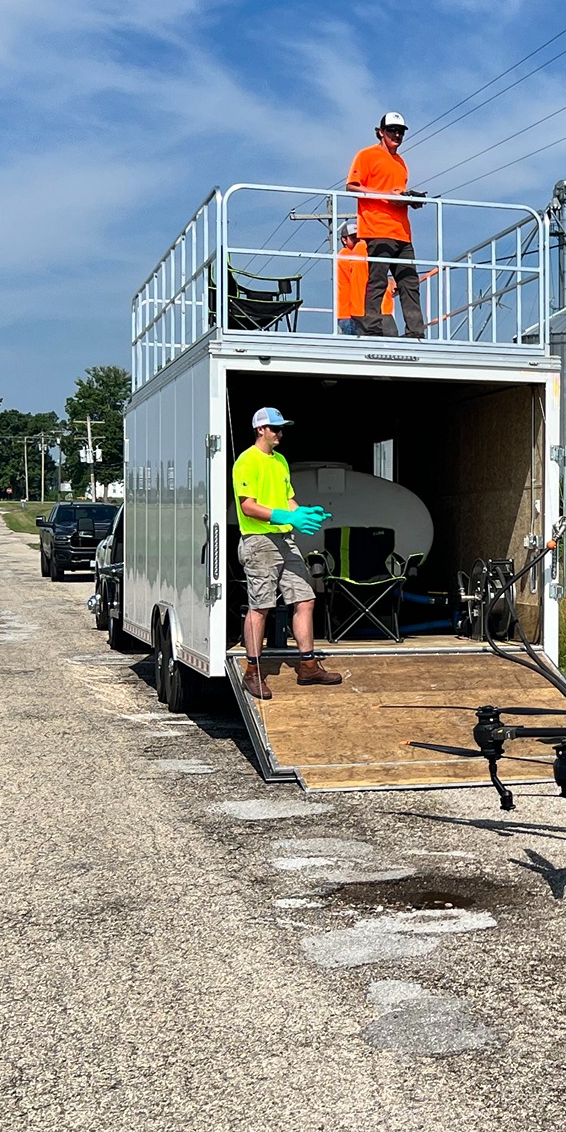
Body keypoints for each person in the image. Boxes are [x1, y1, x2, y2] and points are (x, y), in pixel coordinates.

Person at [231, 407, 342, 700]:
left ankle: (308, 665)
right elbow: (248, 507)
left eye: (282, 428)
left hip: (284, 540)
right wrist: (286, 516)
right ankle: (252, 672)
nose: (280, 433)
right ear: (260, 430)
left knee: (305, 598)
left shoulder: (279, 461)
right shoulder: (246, 461)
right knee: (261, 607)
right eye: (275, 428)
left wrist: (302, 512)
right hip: (258, 541)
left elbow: (288, 499)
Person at [346, 111, 426, 338]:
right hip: (377, 229)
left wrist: (410, 200)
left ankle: (415, 333)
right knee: (377, 281)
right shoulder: (367, 155)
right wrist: (387, 195)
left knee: (410, 283)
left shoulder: (401, 163)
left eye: (400, 131)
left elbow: (396, 193)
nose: (397, 135)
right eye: (392, 130)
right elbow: (351, 187)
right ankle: (371, 330)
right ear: (381, 132)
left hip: (402, 232)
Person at [335, 218, 395, 336]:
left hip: (351, 312)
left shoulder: (348, 254)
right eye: (353, 238)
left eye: (359, 237)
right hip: (353, 313)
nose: (357, 240)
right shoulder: (350, 254)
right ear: (344, 240)